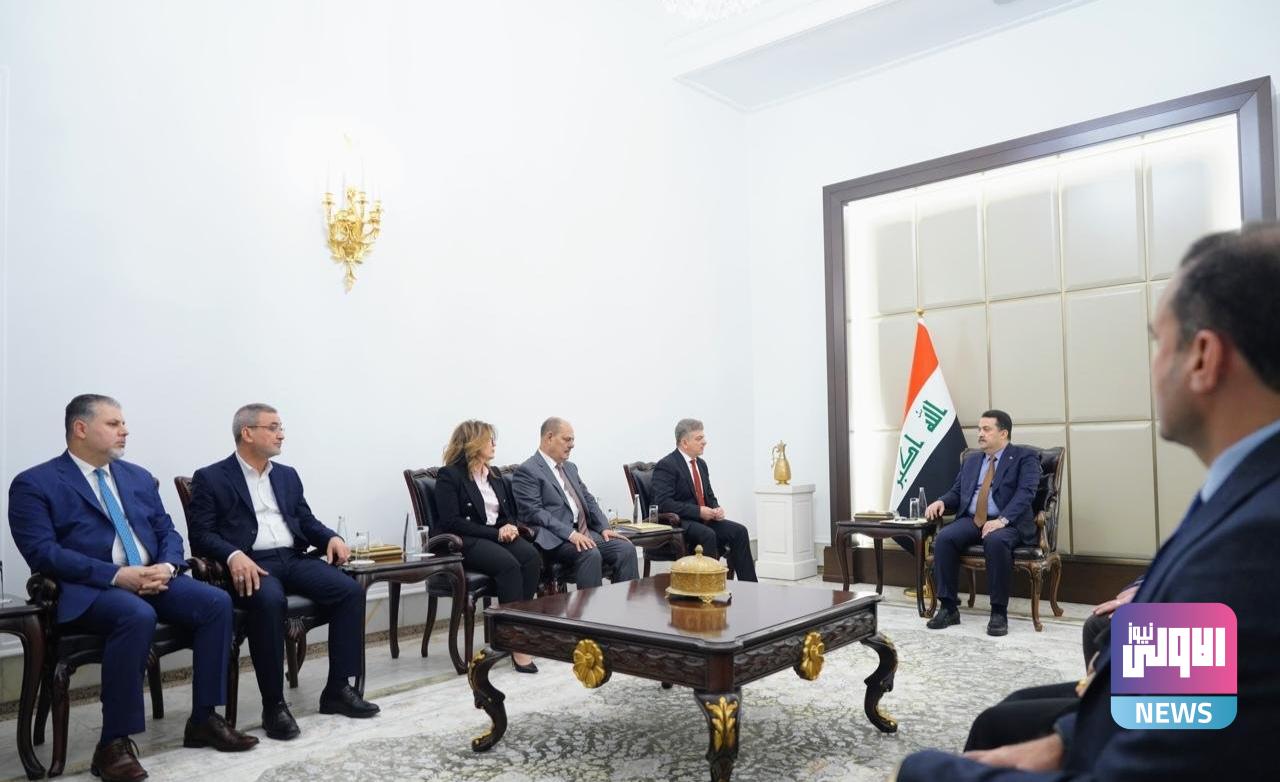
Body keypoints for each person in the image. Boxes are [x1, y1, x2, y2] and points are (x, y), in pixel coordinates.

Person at [897, 225, 1280, 780]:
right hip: (1126, 707)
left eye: (1158, 343)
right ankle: (950, 607)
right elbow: (1191, 683)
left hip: (1131, 730)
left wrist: (918, 771)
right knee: (1003, 718)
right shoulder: (1244, 489)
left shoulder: (1256, 537)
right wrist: (1067, 738)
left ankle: (998, 617)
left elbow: (1167, 741)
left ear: (1203, 357)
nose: (1153, 366)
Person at [8, 395, 257, 782]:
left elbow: (167, 531)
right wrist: (115, 575)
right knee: (135, 614)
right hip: (91, 589)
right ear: (80, 428)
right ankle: (113, 744)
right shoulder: (34, 483)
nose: (125, 431)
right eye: (114, 424)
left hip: (152, 577)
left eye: (123, 423)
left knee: (216, 602)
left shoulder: (137, 476)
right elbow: (43, 552)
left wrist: (168, 567)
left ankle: (204, 718)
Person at [186, 403, 379, 741]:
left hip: (292, 557)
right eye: (273, 427)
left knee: (349, 591)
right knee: (269, 600)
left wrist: (330, 537)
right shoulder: (211, 477)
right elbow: (201, 534)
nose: (281, 435)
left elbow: (304, 520)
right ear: (247, 433)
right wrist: (233, 555)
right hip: (250, 563)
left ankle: (338, 689)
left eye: (281, 428)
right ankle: (273, 705)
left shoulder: (287, 475)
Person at [434, 420, 542, 672]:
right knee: (508, 565)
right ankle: (513, 641)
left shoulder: (494, 475)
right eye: (488, 439)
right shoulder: (450, 476)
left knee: (531, 557)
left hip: (494, 536)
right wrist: (496, 533)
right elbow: (452, 522)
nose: (494, 444)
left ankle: (520, 625)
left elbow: (506, 513)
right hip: (465, 540)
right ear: (473, 443)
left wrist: (510, 526)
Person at [924, 410, 1040, 636]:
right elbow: (958, 491)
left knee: (995, 541)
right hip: (973, 520)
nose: (980, 434)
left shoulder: (1025, 457)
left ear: (1003, 433)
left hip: (1008, 523)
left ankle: (998, 612)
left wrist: (1002, 520)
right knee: (945, 538)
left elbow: (1026, 493)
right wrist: (941, 501)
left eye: (986, 429)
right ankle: (948, 608)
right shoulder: (972, 459)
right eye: (979, 429)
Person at [511, 417, 639, 590]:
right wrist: (570, 534)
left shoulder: (570, 467)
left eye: (572, 440)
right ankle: (591, 608)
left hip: (583, 531)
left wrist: (604, 527)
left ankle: (624, 605)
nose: (572, 445)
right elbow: (535, 513)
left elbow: (588, 499)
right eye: (567, 439)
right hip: (555, 537)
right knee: (589, 553)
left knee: (626, 548)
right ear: (549, 438)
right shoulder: (527, 471)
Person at [652, 418, 757, 582]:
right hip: (680, 522)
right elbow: (664, 503)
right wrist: (698, 511)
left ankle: (750, 587)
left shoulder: (701, 464)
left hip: (703, 519)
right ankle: (710, 587)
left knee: (739, 531)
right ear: (685, 443)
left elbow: (709, 495)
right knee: (707, 534)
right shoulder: (667, 465)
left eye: (703, 437)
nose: (704, 442)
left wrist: (716, 508)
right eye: (699, 438)